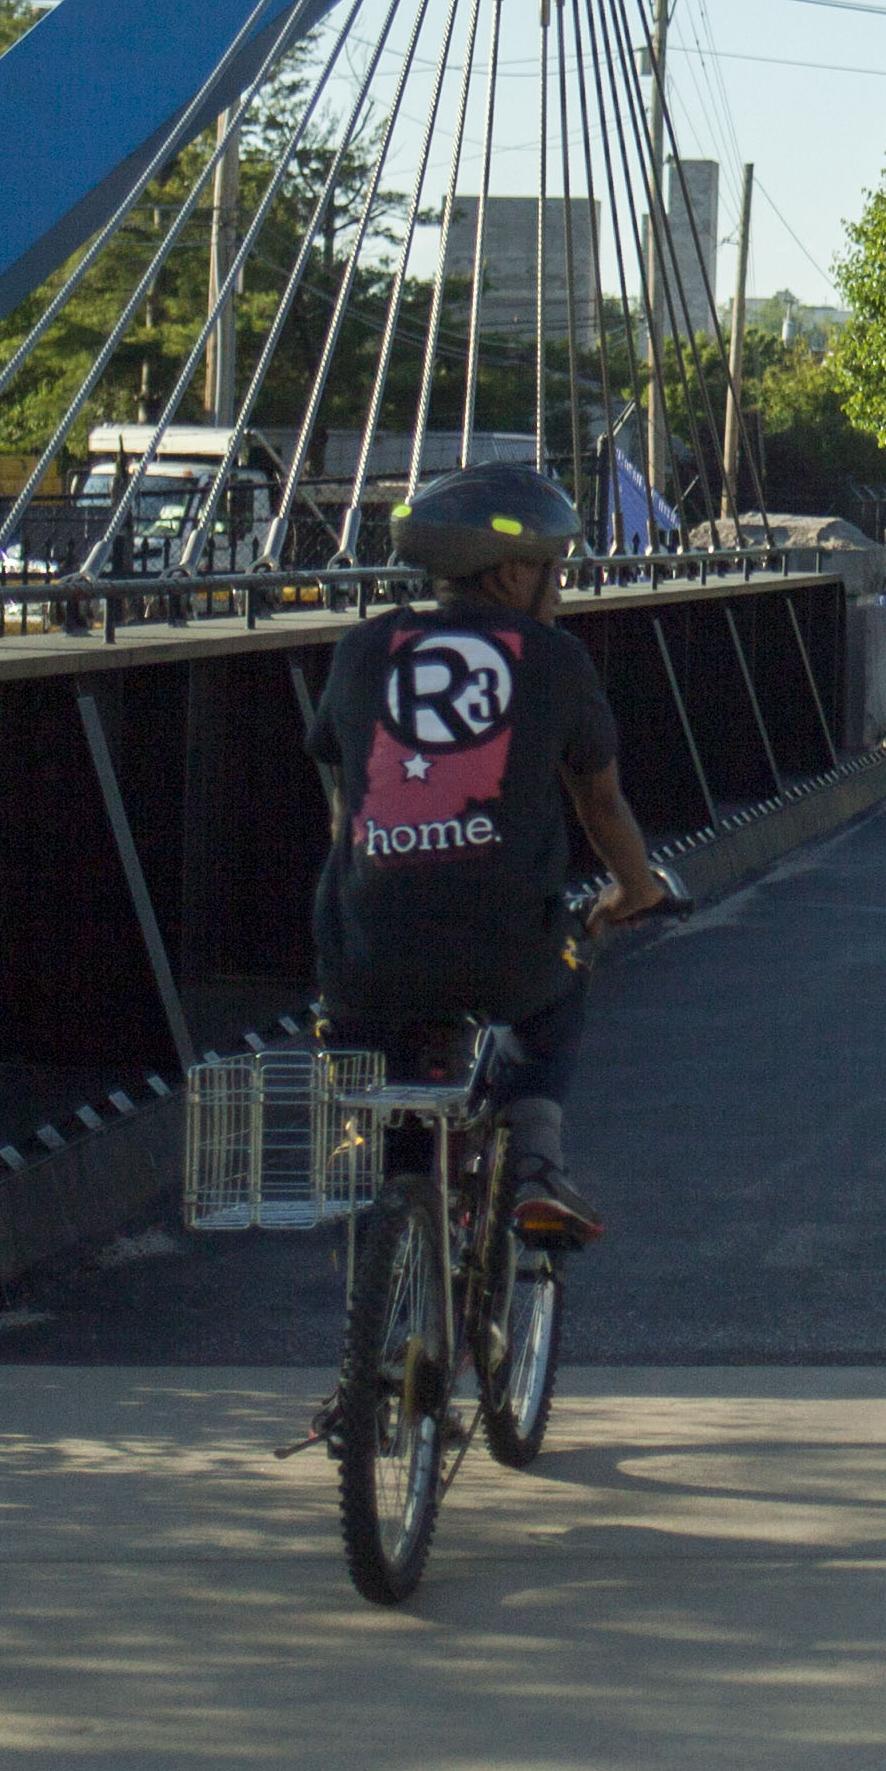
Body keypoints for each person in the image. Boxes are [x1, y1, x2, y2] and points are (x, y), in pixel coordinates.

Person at [308, 460, 671, 1247]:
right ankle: (537, 1158)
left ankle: (396, 1274)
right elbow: (600, 803)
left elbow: (348, 804)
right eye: (555, 571)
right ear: (511, 572)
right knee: (560, 980)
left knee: (396, 1071)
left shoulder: (363, 650)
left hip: (363, 955)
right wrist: (634, 889)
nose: (560, 590)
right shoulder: (552, 658)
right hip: (505, 948)